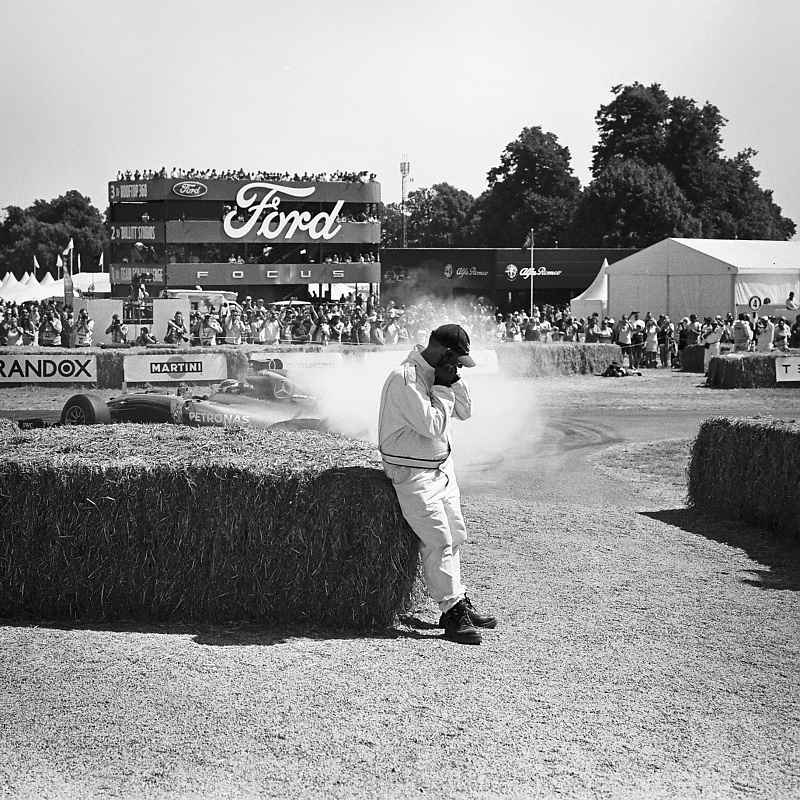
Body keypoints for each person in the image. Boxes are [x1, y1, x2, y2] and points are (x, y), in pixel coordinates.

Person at [378, 324, 496, 645]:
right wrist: (443, 387)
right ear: (444, 353)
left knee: (456, 533)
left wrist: (452, 381)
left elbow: (466, 412)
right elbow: (431, 425)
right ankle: (451, 612)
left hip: (441, 467)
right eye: (457, 361)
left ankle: (457, 599)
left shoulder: (441, 374)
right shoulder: (405, 379)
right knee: (438, 539)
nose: (459, 367)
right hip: (411, 470)